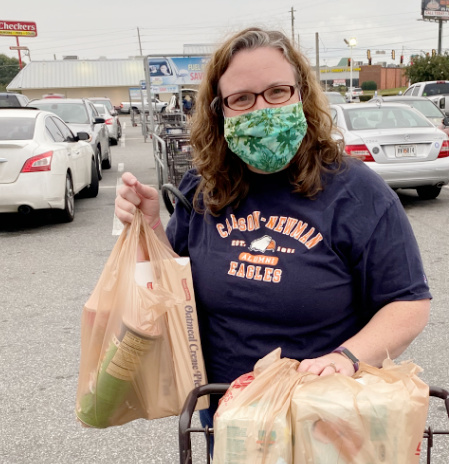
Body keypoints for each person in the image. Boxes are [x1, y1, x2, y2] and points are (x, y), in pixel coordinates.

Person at [114, 27, 431, 429]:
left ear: (301, 94)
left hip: (326, 422)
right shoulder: (204, 187)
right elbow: (173, 287)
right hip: (230, 418)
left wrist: (345, 359)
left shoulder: (358, 192)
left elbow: (408, 303)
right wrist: (150, 225)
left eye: (277, 92)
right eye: (241, 99)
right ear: (219, 111)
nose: (261, 110)